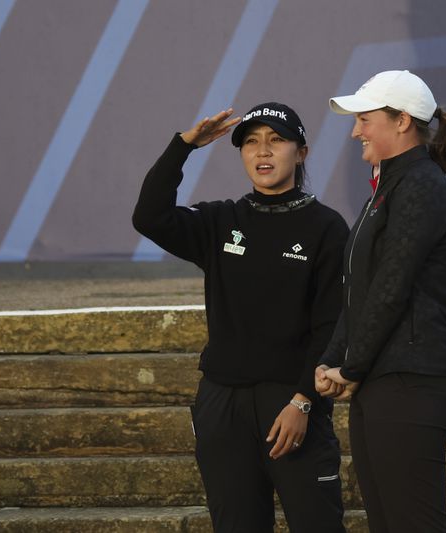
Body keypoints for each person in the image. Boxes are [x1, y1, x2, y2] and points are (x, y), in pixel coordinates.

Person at [132, 102, 348, 533]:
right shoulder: (220, 220)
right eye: (251, 142)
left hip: (290, 404)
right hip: (222, 405)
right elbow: (149, 216)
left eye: (276, 140)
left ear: (301, 152)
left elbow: (331, 326)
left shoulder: (327, 227)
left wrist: (304, 399)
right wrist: (184, 146)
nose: (262, 152)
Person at [315, 70, 446, 533]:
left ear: (402, 121)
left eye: (365, 119)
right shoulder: (386, 188)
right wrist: (331, 359)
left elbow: (391, 285)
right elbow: (359, 290)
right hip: (383, 382)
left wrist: (352, 367)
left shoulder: (421, 183)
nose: (356, 130)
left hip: (412, 382)